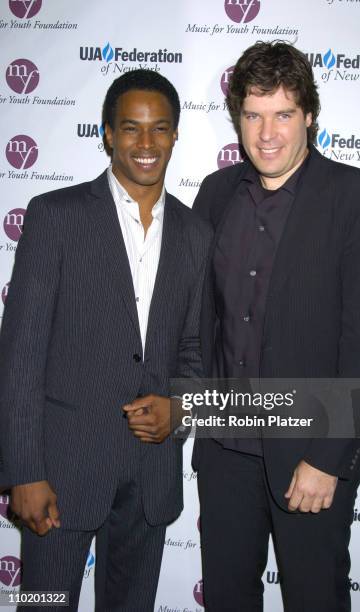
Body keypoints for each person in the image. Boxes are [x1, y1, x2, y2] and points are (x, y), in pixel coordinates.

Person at [192, 41, 360, 612]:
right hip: (225, 451)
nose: (266, 134)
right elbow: (200, 320)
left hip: (309, 457)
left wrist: (327, 457)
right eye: (253, 115)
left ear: (309, 115)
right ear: (236, 117)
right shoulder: (214, 195)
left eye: (283, 114)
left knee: (314, 599)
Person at [0, 68, 211, 611]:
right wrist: (24, 470)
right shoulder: (56, 216)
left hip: (151, 475)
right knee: (45, 604)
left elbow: (193, 349)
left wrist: (179, 410)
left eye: (160, 129)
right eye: (132, 129)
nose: (146, 144)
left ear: (175, 136)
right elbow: (21, 355)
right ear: (108, 134)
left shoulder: (194, 234)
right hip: (60, 476)